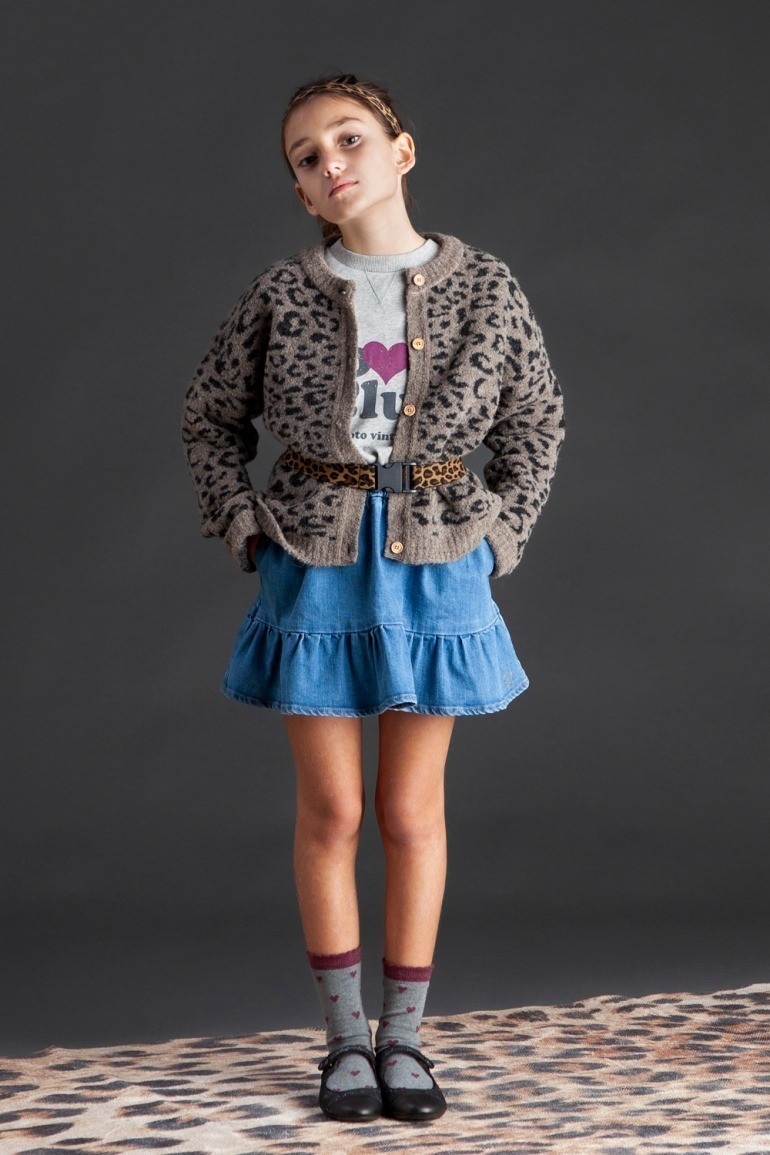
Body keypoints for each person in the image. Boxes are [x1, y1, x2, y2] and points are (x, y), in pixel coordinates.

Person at [181, 71, 565, 1124]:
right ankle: (343, 1040)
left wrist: (499, 534)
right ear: (302, 191)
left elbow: (535, 419)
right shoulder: (280, 292)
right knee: (335, 811)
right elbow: (209, 416)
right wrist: (243, 522)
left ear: (402, 149)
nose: (330, 163)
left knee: (408, 810)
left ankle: (406, 1040)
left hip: (439, 555)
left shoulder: (486, 287)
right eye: (306, 157)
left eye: (348, 139)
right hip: (313, 556)